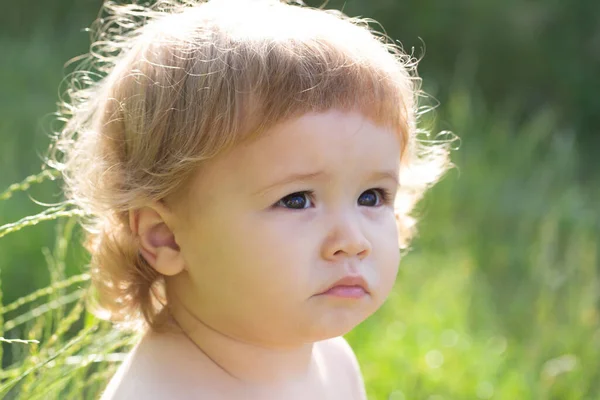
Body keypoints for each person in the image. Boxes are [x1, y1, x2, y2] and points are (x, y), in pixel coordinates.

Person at [49, 0, 452, 398]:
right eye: (297, 200)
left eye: (371, 196)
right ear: (166, 238)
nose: (353, 240)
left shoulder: (332, 361)